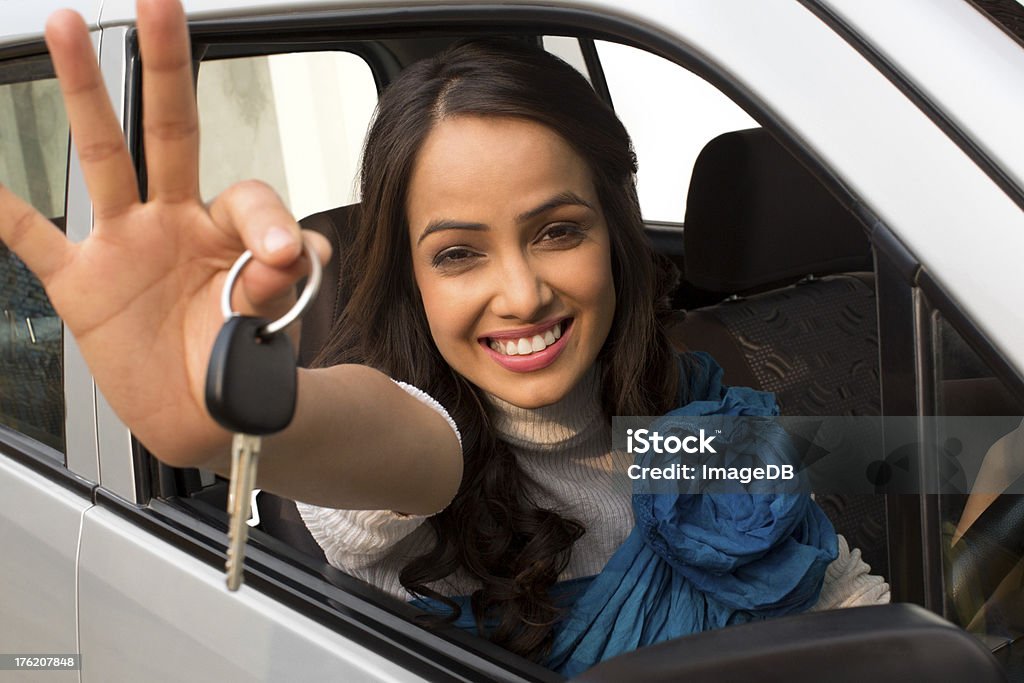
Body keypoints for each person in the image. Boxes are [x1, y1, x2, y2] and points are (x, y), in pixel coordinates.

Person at [0, 0, 888, 674]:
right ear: (411, 276)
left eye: (557, 231)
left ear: (613, 233)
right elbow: (373, 433)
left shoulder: (701, 399)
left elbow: (845, 599)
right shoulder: (422, 459)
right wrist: (229, 415)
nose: (522, 292)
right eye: (458, 252)